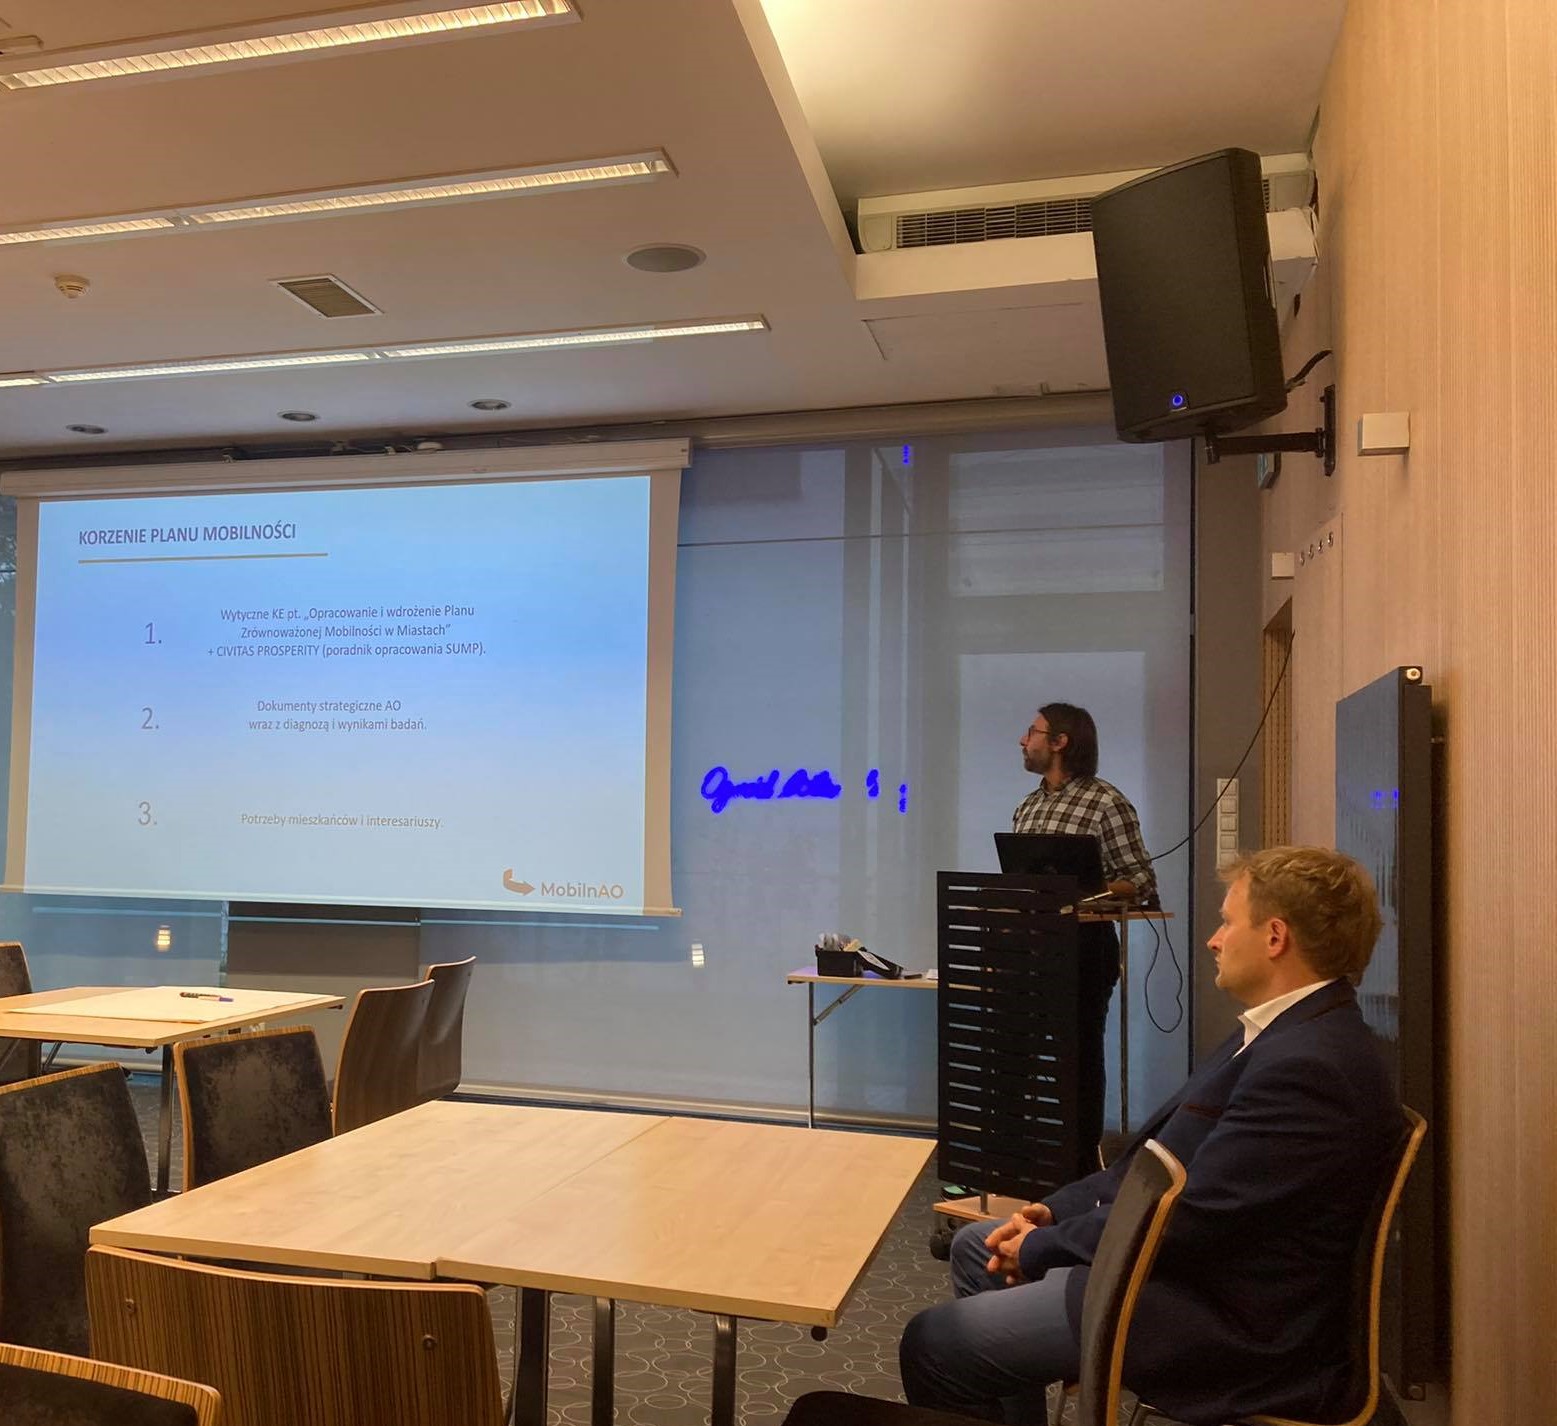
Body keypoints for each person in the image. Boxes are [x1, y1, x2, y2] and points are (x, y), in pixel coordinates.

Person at [901, 846, 1400, 1426]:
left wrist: (1041, 1246)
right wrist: (1054, 1212)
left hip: (1220, 1319)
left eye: (1227, 922)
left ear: (1275, 937)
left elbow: (1189, 1216)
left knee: (932, 1344)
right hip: (1190, 1275)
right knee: (975, 1247)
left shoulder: (1310, 1066)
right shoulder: (1286, 1033)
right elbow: (1153, 1163)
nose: (1213, 940)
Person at [1013, 702, 1155, 1171]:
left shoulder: (1106, 803)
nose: (1023, 741)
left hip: (1083, 948)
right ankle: (1022, 1159)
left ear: (1060, 742)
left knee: (1077, 1057)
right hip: (1029, 947)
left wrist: (1087, 890)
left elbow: (1141, 880)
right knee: (1018, 1057)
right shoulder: (1028, 806)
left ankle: (1078, 1168)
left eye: (1032, 732)